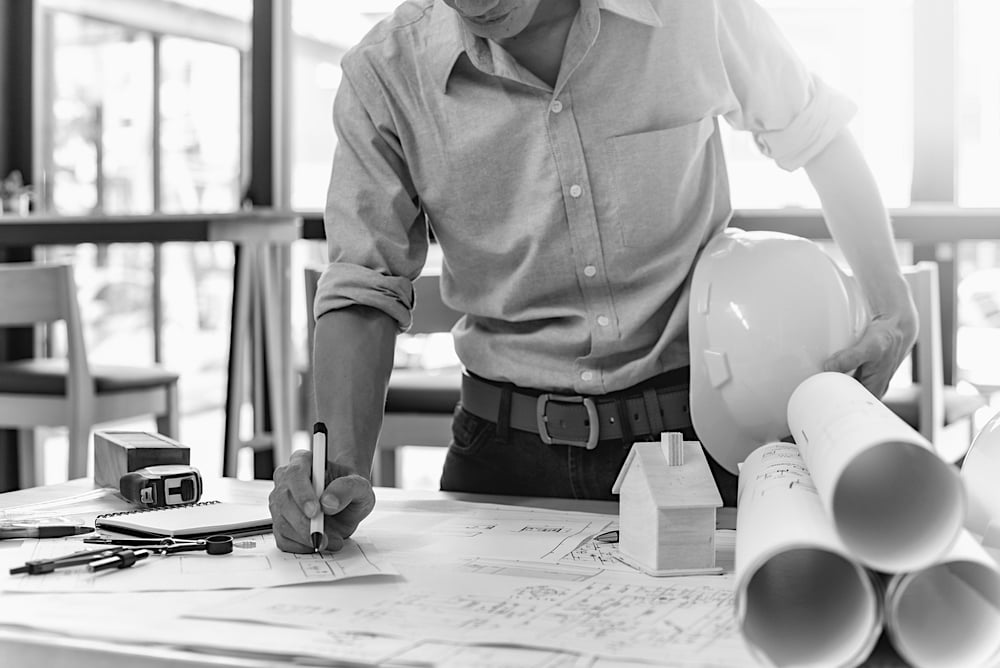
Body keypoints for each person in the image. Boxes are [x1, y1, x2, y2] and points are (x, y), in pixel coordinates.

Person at [269, 0, 918, 553]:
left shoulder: (693, 12)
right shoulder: (384, 72)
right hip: (502, 454)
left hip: (697, 443)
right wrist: (341, 469)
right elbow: (364, 286)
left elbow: (819, 134)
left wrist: (894, 312)